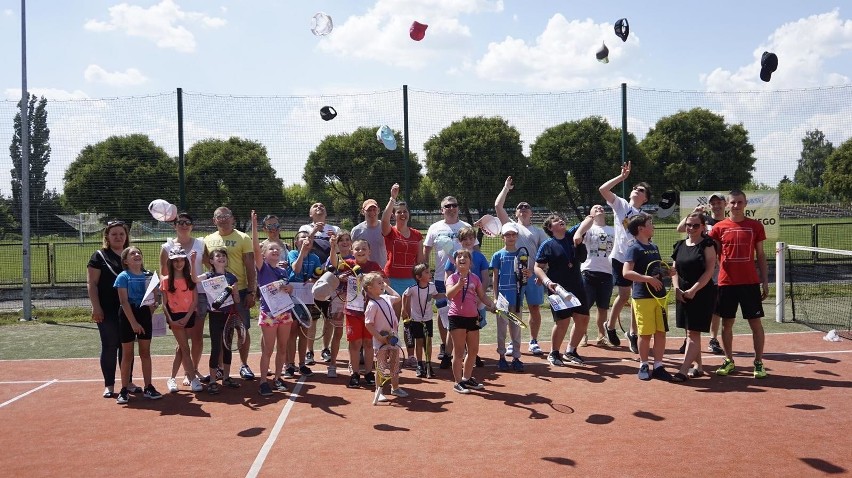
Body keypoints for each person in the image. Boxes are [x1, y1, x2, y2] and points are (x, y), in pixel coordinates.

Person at [709, 190, 770, 379]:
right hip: (726, 283)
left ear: (745, 203)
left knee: (755, 324)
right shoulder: (719, 228)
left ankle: (758, 363)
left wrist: (765, 282)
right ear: (728, 204)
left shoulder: (755, 226)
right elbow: (711, 254)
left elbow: (760, 255)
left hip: (750, 283)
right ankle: (729, 360)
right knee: (727, 324)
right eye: (733, 202)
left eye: (740, 202)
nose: (736, 206)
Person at [491, 176, 550, 355]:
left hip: (531, 276)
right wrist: (506, 188)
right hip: (512, 278)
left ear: (531, 213)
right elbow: (497, 206)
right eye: (520, 207)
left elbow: (545, 255)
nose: (523, 209)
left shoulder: (538, 231)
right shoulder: (510, 226)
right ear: (516, 213)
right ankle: (512, 341)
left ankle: (533, 341)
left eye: (527, 207)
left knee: (534, 308)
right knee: (513, 309)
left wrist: (542, 273)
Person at [599, 161, 651, 353]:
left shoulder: (644, 217)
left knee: (636, 298)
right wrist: (621, 177)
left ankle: (632, 334)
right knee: (623, 296)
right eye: (635, 188)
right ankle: (610, 326)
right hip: (620, 258)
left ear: (645, 199)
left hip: (636, 259)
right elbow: (603, 189)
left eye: (641, 190)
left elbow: (647, 238)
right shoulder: (621, 205)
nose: (637, 190)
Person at [203, 207, 258, 381]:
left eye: (227, 216)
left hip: (239, 291)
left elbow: (250, 265)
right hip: (217, 296)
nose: (224, 219)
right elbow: (206, 262)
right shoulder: (208, 239)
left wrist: (251, 290)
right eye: (220, 217)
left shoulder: (243, 237)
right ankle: (219, 368)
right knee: (220, 332)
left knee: (241, 330)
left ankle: (244, 364)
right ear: (214, 220)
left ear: (232, 218)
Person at [87, 220, 139, 399]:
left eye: (122, 234)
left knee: (127, 347)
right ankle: (109, 385)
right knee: (109, 346)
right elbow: (92, 284)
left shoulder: (131, 255)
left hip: (129, 310)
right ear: (107, 237)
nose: (118, 237)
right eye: (114, 234)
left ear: (126, 237)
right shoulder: (99, 256)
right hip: (107, 309)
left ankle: (128, 382)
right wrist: (96, 307)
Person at [533, 214, 591, 367]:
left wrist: (579, 234)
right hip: (558, 288)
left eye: (561, 219)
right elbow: (538, 267)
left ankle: (571, 351)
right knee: (562, 322)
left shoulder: (572, 234)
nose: (560, 221)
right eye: (555, 221)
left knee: (583, 319)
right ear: (550, 228)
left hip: (577, 286)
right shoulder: (547, 245)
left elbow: (589, 219)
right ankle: (554, 352)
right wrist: (547, 281)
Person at [158, 212, 206, 390]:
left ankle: (188, 374)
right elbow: (164, 299)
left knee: (189, 343)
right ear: (175, 225)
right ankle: (189, 377)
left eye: (188, 222)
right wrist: (170, 317)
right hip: (174, 313)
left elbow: (208, 268)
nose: (184, 225)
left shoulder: (200, 246)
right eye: (180, 222)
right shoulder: (167, 249)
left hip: (191, 309)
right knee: (183, 346)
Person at [622, 214, 673, 381]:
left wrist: (667, 272)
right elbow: (627, 272)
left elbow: (656, 270)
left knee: (660, 332)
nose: (653, 226)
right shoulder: (633, 247)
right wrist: (648, 280)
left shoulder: (654, 247)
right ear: (640, 229)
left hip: (659, 296)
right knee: (645, 334)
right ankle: (643, 364)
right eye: (650, 224)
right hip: (642, 296)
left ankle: (658, 365)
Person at [423, 196, 474, 363]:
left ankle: (463, 346)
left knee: (462, 311)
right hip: (440, 277)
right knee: (443, 312)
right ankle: (445, 346)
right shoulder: (434, 227)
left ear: (458, 208)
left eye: (454, 205)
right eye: (447, 206)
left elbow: (475, 249)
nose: (451, 208)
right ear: (442, 209)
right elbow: (426, 251)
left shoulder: (466, 227)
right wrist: (426, 272)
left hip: (464, 278)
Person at [675, 192, 727, 354]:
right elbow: (680, 228)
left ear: (725, 204)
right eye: (713, 203)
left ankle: (713, 339)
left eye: (719, 202)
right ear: (709, 205)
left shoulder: (728, 222)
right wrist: (694, 211)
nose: (716, 205)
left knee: (715, 306)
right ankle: (688, 338)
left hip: (718, 268)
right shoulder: (702, 221)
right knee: (688, 303)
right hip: (696, 265)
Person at [251, 210, 296, 396]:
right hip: (268, 314)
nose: (275, 251)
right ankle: (263, 381)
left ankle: (278, 378)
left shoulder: (283, 271)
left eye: (277, 249)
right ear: (264, 253)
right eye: (271, 249)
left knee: (283, 348)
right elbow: (255, 247)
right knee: (268, 349)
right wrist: (254, 225)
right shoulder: (263, 268)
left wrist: (289, 289)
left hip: (284, 312)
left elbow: (287, 289)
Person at [381, 183, 424, 367]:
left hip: (410, 282)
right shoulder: (391, 232)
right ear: (394, 215)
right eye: (399, 212)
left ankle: (412, 356)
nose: (402, 214)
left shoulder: (416, 235)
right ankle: (392, 353)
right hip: (392, 281)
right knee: (393, 320)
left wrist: (421, 281)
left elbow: (421, 260)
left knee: (410, 321)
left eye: (405, 211)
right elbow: (383, 222)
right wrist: (392, 198)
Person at [671, 212, 718, 381]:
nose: (691, 228)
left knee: (692, 333)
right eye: (689, 225)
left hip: (702, 292)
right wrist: (677, 289)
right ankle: (698, 366)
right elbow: (674, 270)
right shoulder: (680, 245)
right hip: (682, 292)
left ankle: (683, 370)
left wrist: (694, 290)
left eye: (696, 225)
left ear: (703, 227)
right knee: (690, 332)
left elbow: (709, 271)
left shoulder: (707, 244)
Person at [114, 246, 162, 403]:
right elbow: (123, 301)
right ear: (125, 261)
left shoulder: (149, 276)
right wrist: (133, 323)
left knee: (145, 353)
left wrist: (153, 307)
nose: (136, 255)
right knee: (127, 354)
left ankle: (149, 387)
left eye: (138, 253)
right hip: (128, 316)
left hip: (144, 315)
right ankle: (124, 389)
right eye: (132, 253)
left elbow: (154, 299)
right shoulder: (123, 276)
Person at [446, 249, 498, 394]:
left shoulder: (475, 278)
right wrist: (459, 285)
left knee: (473, 350)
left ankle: (467, 378)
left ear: (470, 262)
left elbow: (482, 296)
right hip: (457, 317)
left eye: (466, 257)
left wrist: (492, 305)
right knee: (459, 352)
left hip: (473, 317)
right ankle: (457, 382)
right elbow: (449, 295)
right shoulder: (452, 278)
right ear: (455, 262)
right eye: (459, 256)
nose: (462, 258)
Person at [195, 247, 241, 394]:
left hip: (229, 316)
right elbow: (194, 279)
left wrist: (234, 292)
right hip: (215, 316)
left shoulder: (232, 277)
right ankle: (213, 381)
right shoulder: (208, 276)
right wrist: (191, 261)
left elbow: (237, 299)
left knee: (227, 347)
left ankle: (226, 377)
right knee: (216, 348)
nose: (221, 258)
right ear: (211, 261)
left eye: (223, 256)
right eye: (218, 256)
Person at [298, 202, 340, 364]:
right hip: (311, 281)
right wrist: (315, 231)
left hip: (328, 278)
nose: (319, 207)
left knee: (328, 317)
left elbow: (338, 251)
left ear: (326, 212)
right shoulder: (305, 228)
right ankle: (309, 351)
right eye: (315, 206)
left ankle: (325, 348)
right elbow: (303, 245)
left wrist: (333, 242)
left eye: (322, 206)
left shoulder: (334, 229)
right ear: (310, 213)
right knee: (312, 318)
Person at [443, 226, 489, 369]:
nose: (468, 241)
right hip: (456, 298)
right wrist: (451, 289)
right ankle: (447, 355)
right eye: (465, 239)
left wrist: (479, 296)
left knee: (473, 327)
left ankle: (472, 354)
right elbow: (447, 274)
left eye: (471, 238)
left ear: (474, 239)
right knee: (454, 328)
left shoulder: (480, 257)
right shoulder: (455, 255)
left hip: (476, 297)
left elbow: (485, 278)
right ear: (460, 241)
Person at [571, 205, 615, 346]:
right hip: (588, 272)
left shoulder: (613, 230)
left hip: (607, 273)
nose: (599, 208)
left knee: (603, 308)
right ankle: (582, 334)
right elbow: (576, 238)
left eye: (601, 207)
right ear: (590, 213)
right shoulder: (587, 229)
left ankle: (601, 336)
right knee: (584, 307)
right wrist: (588, 220)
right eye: (595, 208)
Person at [343, 240, 384, 388]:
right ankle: (354, 373)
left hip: (370, 310)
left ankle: (368, 372)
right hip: (353, 310)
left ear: (369, 251)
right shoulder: (347, 264)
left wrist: (372, 281)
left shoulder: (374, 266)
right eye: (357, 249)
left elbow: (384, 282)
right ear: (352, 251)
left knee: (368, 343)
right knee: (355, 343)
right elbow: (334, 268)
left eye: (364, 249)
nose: (360, 251)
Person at [283, 228, 323, 379]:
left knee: (304, 333)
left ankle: (301, 364)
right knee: (292, 332)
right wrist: (302, 253)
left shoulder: (315, 258)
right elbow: (296, 268)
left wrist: (314, 280)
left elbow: (318, 276)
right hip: (293, 297)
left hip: (307, 298)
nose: (306, 240)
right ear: (296, 242)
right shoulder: (292, 254)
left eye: (309, 238)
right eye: (302, 238)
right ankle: (289, 364)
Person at [490, 222, 529, 372]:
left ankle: (516, 357)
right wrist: (495, 298)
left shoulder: (522, 255)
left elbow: (525, 275)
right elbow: (495, 278)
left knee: (516, 329)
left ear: (517, 237)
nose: (511, 237)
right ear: (502, 237)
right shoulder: (497, 255)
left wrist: (528, 274)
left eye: (513, 235)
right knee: (501, 330)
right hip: (502, 299)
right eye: (508, 235)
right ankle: (501, 357)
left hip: (517, 298)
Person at [363, 272, 407, 401]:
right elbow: (368, 324)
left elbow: (397, 297)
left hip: (392, 337)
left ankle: (395, 387)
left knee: (394, 364)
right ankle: (379, 389)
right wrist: (379, 337)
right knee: (381, 366)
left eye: (382, 282)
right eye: (379, 283)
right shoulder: (371, 305)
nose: (382, 284)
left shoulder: (386, 298)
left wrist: (387, 287)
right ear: (370, 288)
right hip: (381, 340)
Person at [319, 229, 353, 377]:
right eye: (341, 240)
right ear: (337, 244)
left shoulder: (356, 257)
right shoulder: (334, 258)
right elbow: (330, 272)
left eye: (347, 239)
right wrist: (339, 278)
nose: (345, 242)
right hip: (337, 298)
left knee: (354, 334)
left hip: (354, 299)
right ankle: (332, 365)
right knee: (338, 332)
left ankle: (354, 364)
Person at [402, 264, 443, 378]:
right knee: (419, 342)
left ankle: (428, 363)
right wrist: (404, 309)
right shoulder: (413, 289)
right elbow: (405, 295)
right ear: (419, 277)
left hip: (428, 318)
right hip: (416, 319)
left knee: (428, 341)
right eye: (427, 273)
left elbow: (435, 296)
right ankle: (420, 364)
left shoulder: (432, 286)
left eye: (430, 272)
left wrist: (448, 295)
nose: (430, 274)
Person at [352, 198, 388, 267]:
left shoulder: (386, 227)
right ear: (363, 212)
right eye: (369, 210)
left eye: (374, 209)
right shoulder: (356, 230)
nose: (372, 212)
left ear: (378, 210)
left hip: (383, 270)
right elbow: (352, 251)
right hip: (363, 270)